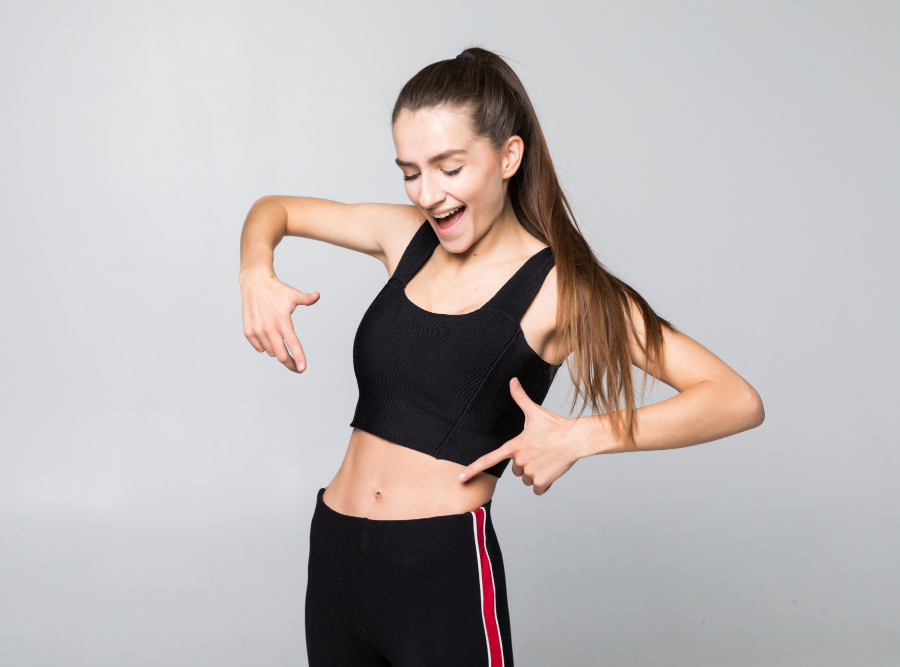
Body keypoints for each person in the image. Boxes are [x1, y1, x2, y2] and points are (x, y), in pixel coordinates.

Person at [239, 47, 764, 667]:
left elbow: (735, 398)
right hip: (335, 549)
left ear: (508, 156)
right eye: (410, 172)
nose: (429, 194)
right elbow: (274, 209)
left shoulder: (561, 288)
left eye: (450, 168)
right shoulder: (405, 237)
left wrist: (580, 437)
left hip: (439, 569)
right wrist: (255, 271)